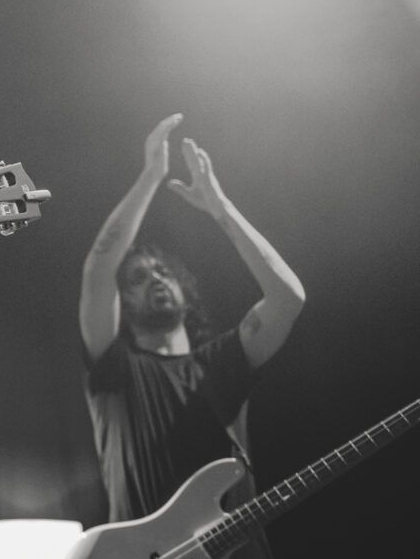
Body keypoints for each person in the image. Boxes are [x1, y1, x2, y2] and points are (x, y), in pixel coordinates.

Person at [79, 114, 305, 558]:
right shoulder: (112, 367)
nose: (155, 280)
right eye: (139, 278)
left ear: (184, 287)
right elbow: (98, 269)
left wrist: (220, 207)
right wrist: (150, 178)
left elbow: (287, 298)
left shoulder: (225, 360)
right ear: (122, 302)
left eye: (163, 272)